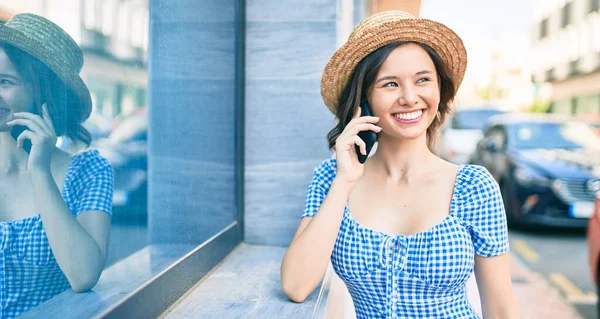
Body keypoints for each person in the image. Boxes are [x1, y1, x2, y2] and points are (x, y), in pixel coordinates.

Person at [281, 11, 520, 318]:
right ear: (363, 99)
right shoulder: (332, 177)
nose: (410, 97)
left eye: (423, 80)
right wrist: (345, 181)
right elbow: (296, 286)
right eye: (390, 84)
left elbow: (501, 309)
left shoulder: (473, 186)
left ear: (439, 90)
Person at [0, 13, 113, 318]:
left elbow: (84, 275)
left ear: (40, 90)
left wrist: (39, 173)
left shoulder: (89, 172)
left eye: (5, 82)